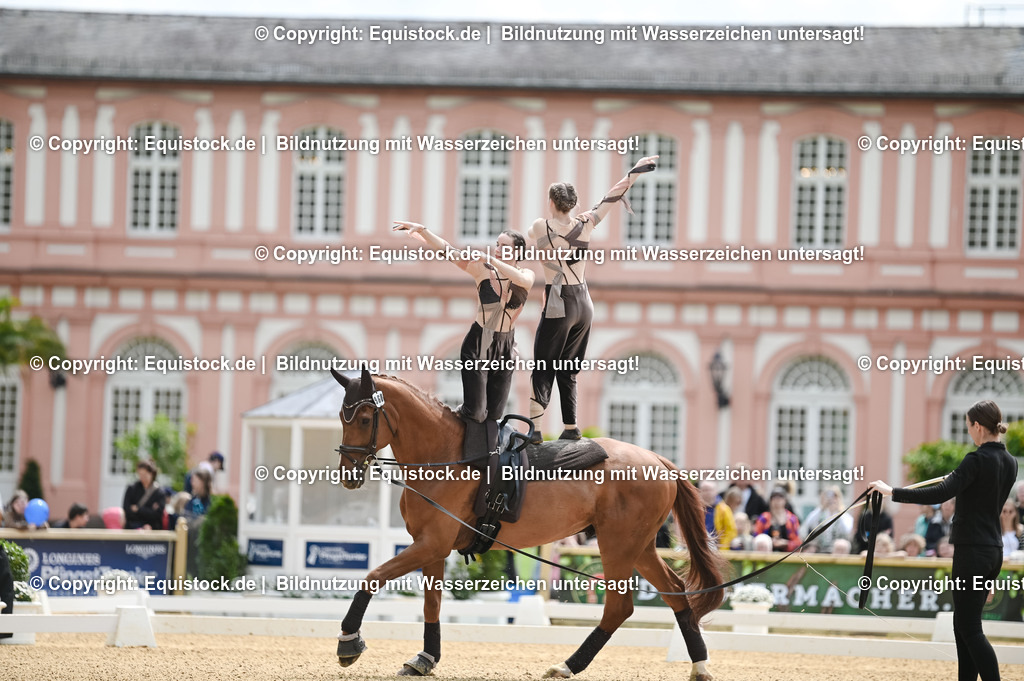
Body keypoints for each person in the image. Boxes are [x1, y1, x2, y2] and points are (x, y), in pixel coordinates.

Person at [869, 399, 1017, 681]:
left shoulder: (975, 460)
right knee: (963, 625)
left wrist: (892, 491)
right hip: (992, 552)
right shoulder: (1009, 462)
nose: (969, 434)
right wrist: (961, 478)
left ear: (977, 426)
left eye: (968, 427)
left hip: (972, 552)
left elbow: (939, 494)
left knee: (970, 628)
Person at [526, 156, 659, 442]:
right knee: (568, 367)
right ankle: (571, 427)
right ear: (573, 204)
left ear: (551, 202)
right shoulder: (586, 223)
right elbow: (611, 197)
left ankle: (534, 429)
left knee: (544, 364)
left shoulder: (541, 226)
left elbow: (527, 238)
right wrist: (635, 170)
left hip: (558, 300)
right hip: (584, 303)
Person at [393, 221, 534, 427]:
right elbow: (448, 251)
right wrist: (424, 231)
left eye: (505, 246)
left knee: (493, 415)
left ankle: (492, 456)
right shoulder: (482, 270)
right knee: (476, 412)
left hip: (506, 346)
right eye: (497, 244)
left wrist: (490, 259)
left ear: (518, 252)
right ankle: (449, 425)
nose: (499, 249)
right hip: (479, 343)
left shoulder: (526, 275)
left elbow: (523, 280)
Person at [799, 485, 853, 553]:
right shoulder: (819, 513)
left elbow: (847, 530)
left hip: (836, 549)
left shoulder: (845, 516)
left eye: (835, 496)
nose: (832, 499)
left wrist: (838, 511)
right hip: (819, 547)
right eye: (829, 496)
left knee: (842, 544)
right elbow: (808, 524)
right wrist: (822, 507)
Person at [123, 459, 167, 530]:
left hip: (153, 529)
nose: (142, 477)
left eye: (145, 475)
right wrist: (148, 511)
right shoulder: (132, 488)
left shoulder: (159, 492)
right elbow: (127, 510)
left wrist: (138, 510)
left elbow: (158, 514)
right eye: (140, 474)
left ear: (152, 474)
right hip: (134, 527)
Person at [752, 487, 801, 552]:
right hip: (766, 555)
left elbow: (798, 542)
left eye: (780, 498)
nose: (777, 501)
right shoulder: (764, 518)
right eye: (774, 498)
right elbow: (756, 538)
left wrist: (786, 543)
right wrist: (768, 542)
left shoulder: (792, 519)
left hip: (787, 556)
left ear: (785, 500)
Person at [699, 481, 736, 550]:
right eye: (703, 490)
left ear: (715, 491)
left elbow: (730, 532)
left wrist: (723, 549)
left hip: (718, 548)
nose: (706, 493)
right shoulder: (696, 509)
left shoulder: (724, 509)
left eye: (708, 490)